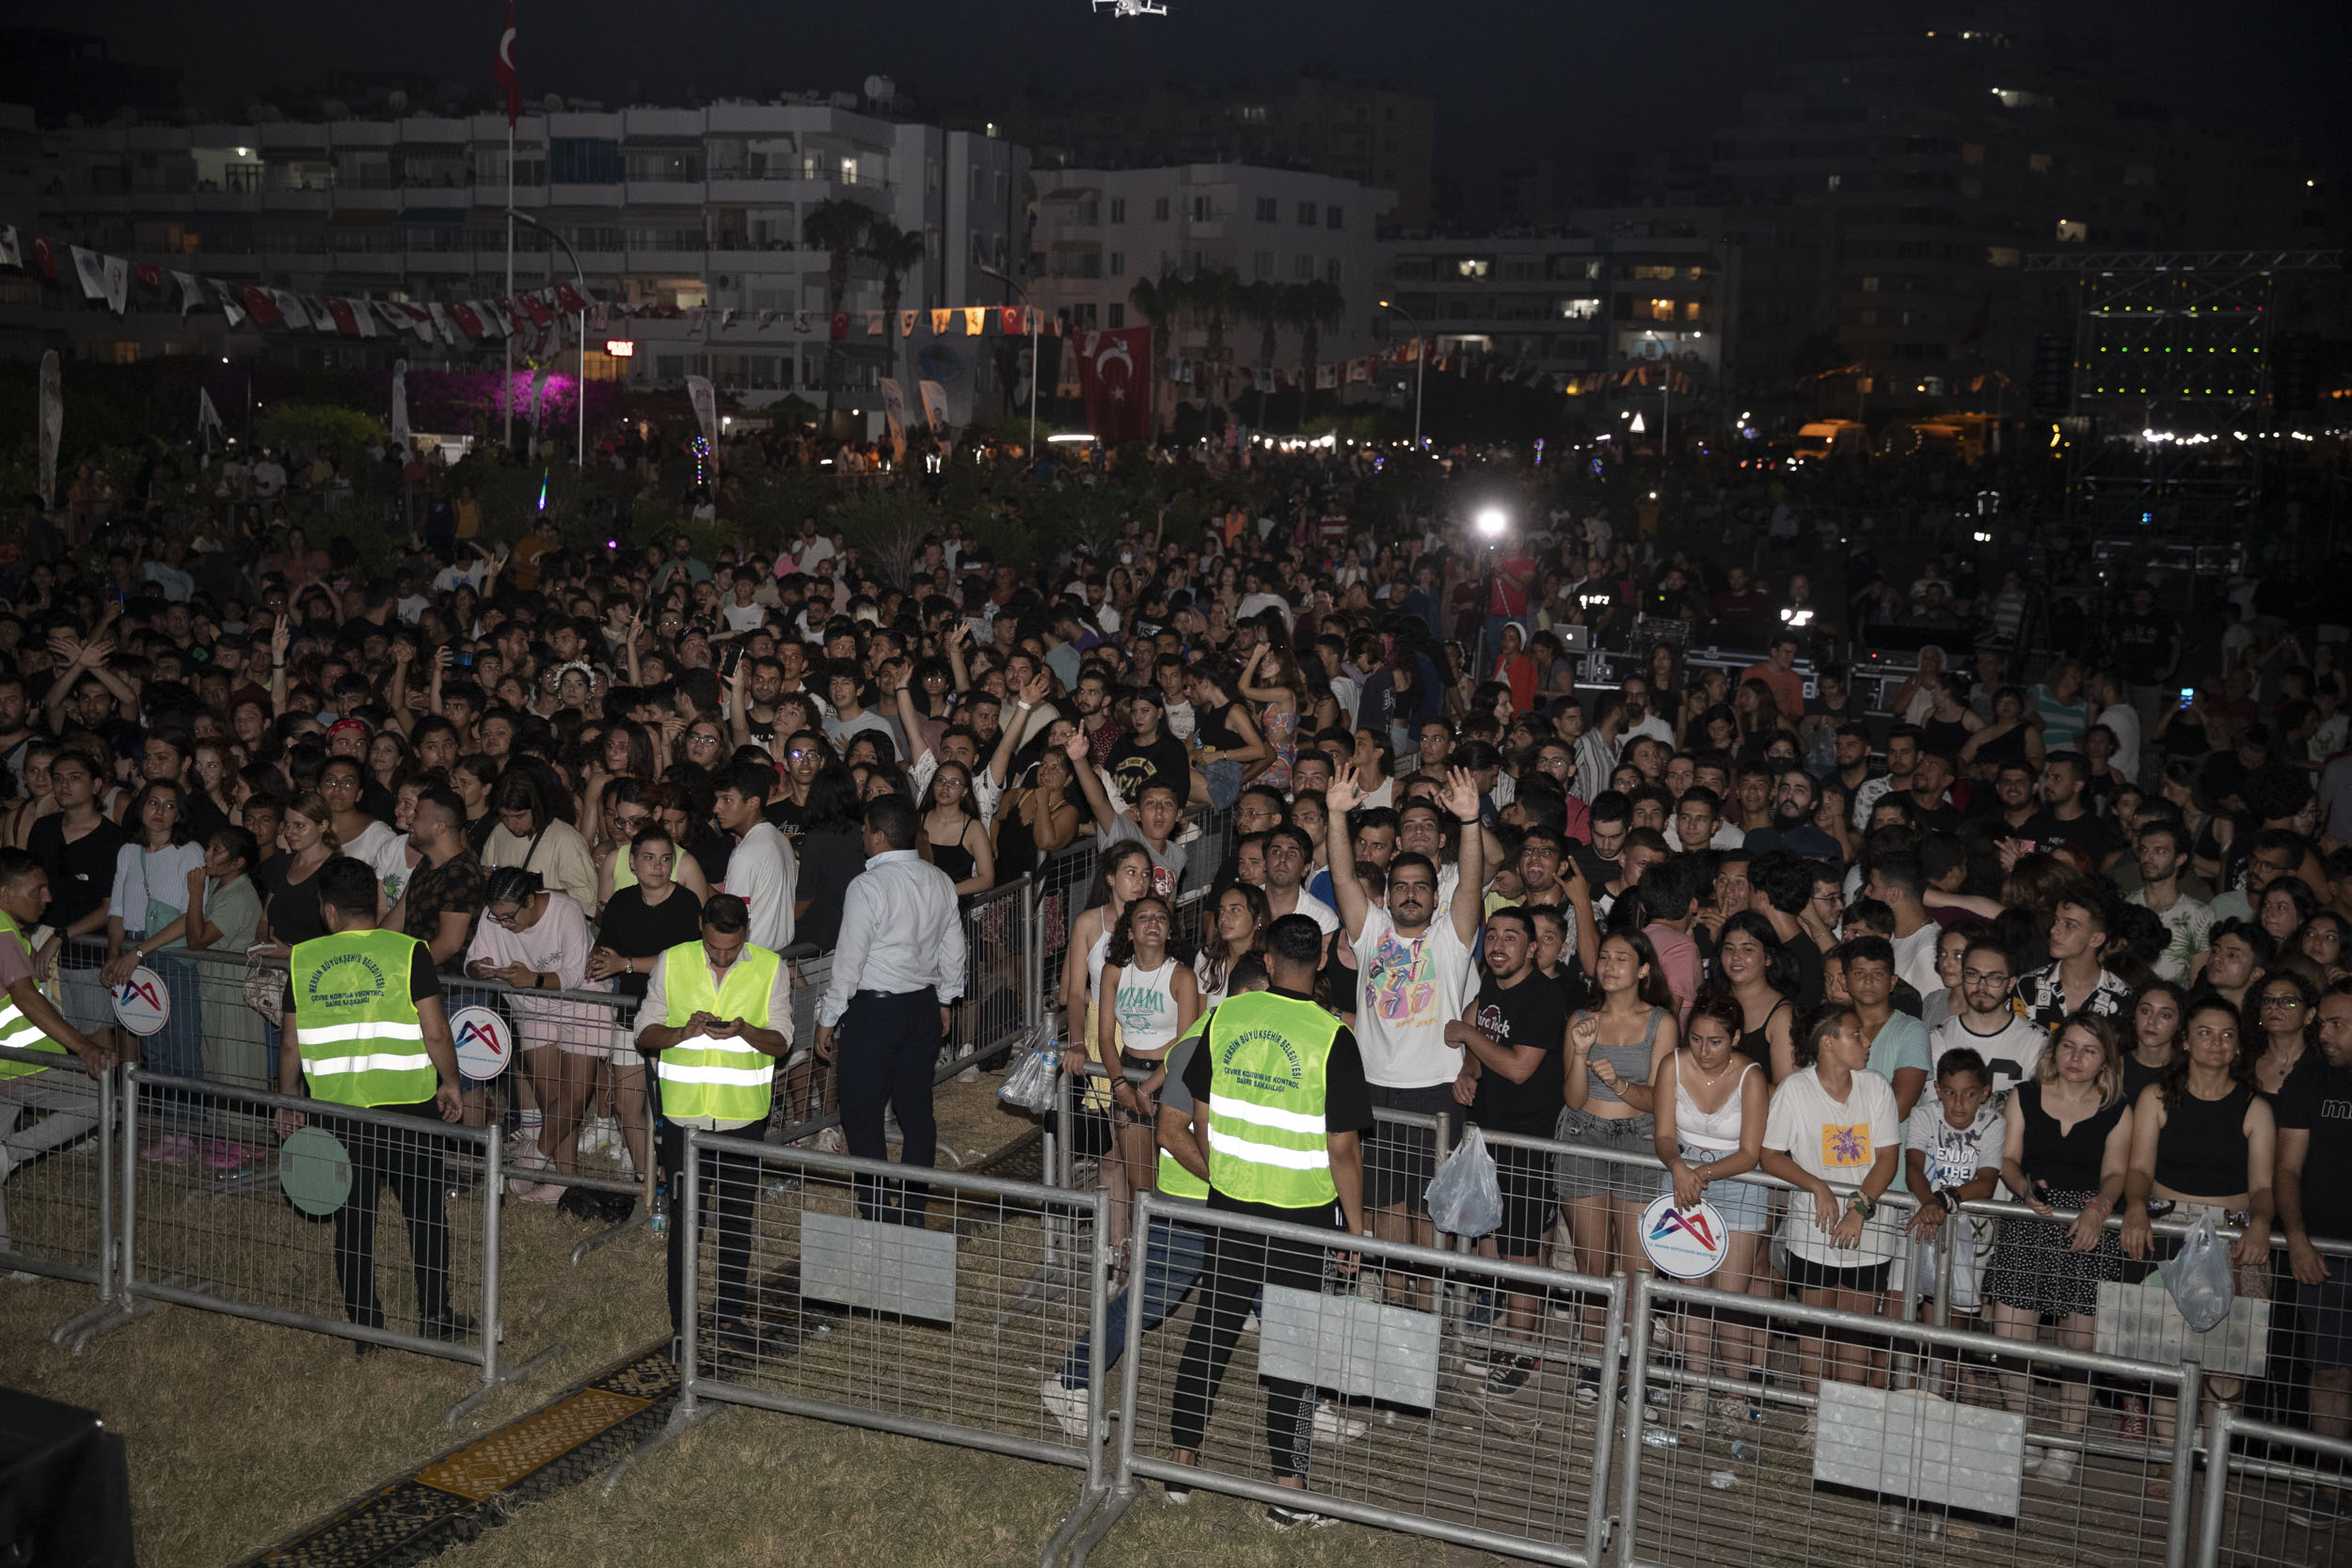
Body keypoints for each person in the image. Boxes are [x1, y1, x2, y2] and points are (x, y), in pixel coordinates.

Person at [1164, 914, 1371, 1528]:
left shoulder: (1226, 1016)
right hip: (1303, 1215)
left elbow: (1202, 1115)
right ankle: (1288, 1488)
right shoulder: (1333, 1037)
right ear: (1321, 964)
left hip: (1231, 1202)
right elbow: (1343, 1148)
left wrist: (1224, 1175)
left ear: (1270, 961)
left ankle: (1181, 1463)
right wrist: (1355, 1228)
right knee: (1294, 1347)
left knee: (1213, 1326)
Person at [274, 856, 469, 1345]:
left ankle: (365, 1328)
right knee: (425, 1215)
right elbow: (435, 1031)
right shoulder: (408, 952)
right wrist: (451, 1082)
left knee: (353, 1220)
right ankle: (435, 1316)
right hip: (409, 1106)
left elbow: (291, 1044)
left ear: (328, 910)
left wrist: (288, 1100)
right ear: (378, 902)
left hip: (339, 1111)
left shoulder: (304, 959)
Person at [1324, 765, 1486, 1302]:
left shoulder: (1450, 939)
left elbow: (1471, 882)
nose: (1410, 895)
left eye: (1421, 887)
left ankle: (1427, 1311)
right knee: (1385, 1207)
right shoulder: (1369, 932)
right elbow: (1343, 879)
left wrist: (1469, 822)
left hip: (1435, 1093)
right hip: (1373, 1089)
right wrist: (1336, 815)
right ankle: (1395, 1304)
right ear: (1387, 897)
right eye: (1400, 887)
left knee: (1427, 1211)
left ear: (1436, 897)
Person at [635, 894, 794, 1352]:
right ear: (700, 927)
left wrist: (745, 1030)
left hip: (742, 1118)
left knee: (737, 1222)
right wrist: (682, 1032)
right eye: (713, 949)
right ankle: (683, 1326)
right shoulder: (673, 961)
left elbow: (782, 1041)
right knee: (686, 1225)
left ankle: (728, 1319)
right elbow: (644, 1031)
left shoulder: (770, 967)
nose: (722, 958)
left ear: (747, 932)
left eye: (732, 949)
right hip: (684, 1118)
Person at [2122, 998, 2277, 1465]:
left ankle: (2214, 1472)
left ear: (2239, 1047)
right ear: (2186, 1041)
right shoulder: (2155, 1097)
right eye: (2205, 1032)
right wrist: (2134, 1206)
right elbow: (2139, 1168)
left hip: (2234, 1237)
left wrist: (2262, 1222)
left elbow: (2263, 1187)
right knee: (2166, 1357)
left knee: (2228, 1366)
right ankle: (2172, 1465)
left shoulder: (2255, 1107)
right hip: (2169, 1232)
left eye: (2227, 1034)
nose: (2216, 1043)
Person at [1983, 1013, 2135, 1486]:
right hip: (2030, 1219)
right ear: (2054, 1049)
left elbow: (2116, 1173)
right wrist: (2024, 1188)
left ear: (2105, 1060)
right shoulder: (2024, 1096)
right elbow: (2008, 1159)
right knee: (2011, 1336)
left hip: (2087, 1225)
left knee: (2079, 1344)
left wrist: (2098, 1210)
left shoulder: (2117, 1108)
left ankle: (2068, 1441)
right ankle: (2023, 1432)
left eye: (2090, 1050)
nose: (2076, 1058)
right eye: (2069, 1046)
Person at [815, 796, 965, 1222]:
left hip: (874, 1012)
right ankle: (912, 1209)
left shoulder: (867, 886)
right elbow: (954, 949)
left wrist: (828, 1017)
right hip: (922, 1006)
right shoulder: (939, 880)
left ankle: (877, 1211)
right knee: (916, 1111)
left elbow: (850, 959)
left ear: (879, 836)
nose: (862, 835)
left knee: (862, 1115)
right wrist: (945, 998)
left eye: (865, 829)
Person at [1447, 905, 1569, 1408]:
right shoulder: (1490, 987)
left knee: (1521, 1249)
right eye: (1493, 935)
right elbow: (1483, 1052)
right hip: (1491, 1135)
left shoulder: (1544, 997)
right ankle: (1511, 1339)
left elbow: (1520, 1068)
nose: (1498, 945)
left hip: (1529, 1140)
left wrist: (1467, 1034)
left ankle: (1524, 1351)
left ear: (1533, 948)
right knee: (1495, 1242)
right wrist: (1468, 1069)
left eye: (1511, 937)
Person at [1759, 1005, 1902, 1426]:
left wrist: (1859, 1209)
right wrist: (1817, 1185)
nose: (1867, 1042)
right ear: (1828, 1043)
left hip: (1870, 1232)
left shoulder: (1876, 1087)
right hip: (1812, 1228)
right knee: (1815, 1329)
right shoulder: (1795, 1090)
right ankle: (1816, 1417)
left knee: (1856, 1330)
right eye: (1856, 1034)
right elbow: (1771, 1155)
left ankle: (1845, 1424)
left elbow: (1887, 1158)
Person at [1557, 927, 1681, 1380]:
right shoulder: (1580, 1019)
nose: (1608, 966)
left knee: (1636, 1269)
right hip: (1583, 1135)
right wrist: (1580, 1052)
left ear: (1644, 969)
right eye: (1604, 957)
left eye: (1621, 958)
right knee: (1593, 1264)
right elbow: (1573, 1098)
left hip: (1639, 1141)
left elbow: (1661, 1099)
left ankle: (1630, 1369)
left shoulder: (1662, 1023)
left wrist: (1618, 1083)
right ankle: (1596, 1363)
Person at [1649, 991, 1769, 1428]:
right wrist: (1680, 1167)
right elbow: (1664, 1135)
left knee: (1730, 1297)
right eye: (1696, 1039)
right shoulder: (1672, 1065)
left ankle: (1735, 1392)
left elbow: (1750, 1152)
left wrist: (1699, 1173)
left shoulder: (1751, 1076)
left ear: (1735, 1038)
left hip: (1738, 1183)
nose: (1703, 1051)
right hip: (1683, 1178)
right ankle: (1696, 1389)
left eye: (1715, 1042)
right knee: (1693, 1293)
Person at [464, 867, 605, 1197]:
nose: (503, 924)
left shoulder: (565, 911)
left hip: (582, 1005)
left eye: (509, 917)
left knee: (574, 1097)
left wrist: (534, 979)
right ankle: (565, 1180)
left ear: (530, 899)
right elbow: (469, 962)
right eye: (497, 917)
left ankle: (536, 1157)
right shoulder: (494, 917)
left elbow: (573, 974)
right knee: (551, 1100)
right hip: (530, 1010)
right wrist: (479, 969)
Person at [0, 849, 115, 1256]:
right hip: (20, 1065)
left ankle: (6, 1255)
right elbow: (24, 996)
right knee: (100, 1102)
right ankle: (11, 1154)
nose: (47, 898)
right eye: (37, 890)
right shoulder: (2, 931)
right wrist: (83, 1046)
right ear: (5, 893)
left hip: (8, 1064)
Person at [2276, 981, 2352, 1525]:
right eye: (2322, 1022)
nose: (2324, 1033)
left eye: (2338, 1024)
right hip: (2325, 1251)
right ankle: (2329, 1488)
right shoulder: (2309, 1078)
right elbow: (2286, 1167)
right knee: (2328, 1373)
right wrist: (2298, 1238)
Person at [1093, 893, 1201, 1250]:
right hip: (1127, 1072)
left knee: (1170, 1178)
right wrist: (1121, 1084)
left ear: (1170, 931)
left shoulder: (1182, 976)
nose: (1153, 923)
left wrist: (1145, 1088)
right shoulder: (1114, 972)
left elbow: (1185, 1043)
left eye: (1161, 918)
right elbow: (1105, 1037)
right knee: (1140, 1183)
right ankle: (1137, 1256)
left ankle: (1167, 1252)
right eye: (1143, 917)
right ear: (1129, 931)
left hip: (1170, 1076)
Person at [1901, 1047, 2003, 1327]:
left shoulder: (1993, 1123)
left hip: (1972, 1231)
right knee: (1927, 1305)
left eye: (1969, 1094)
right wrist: (1929, 1202)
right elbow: (1913, 1167)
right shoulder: (1924, 1115)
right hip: (1929, 1220)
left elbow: (1986, 1183)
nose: (1958, 1104)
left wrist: (1940, 1202)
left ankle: (1946, 1359)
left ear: (1984, 1093)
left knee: (1957, 1316)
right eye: (1949, 1092)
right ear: (1937, 1089)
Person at [1930, 938, 2045, 1097]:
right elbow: (1934, 1105)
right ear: (1963, 977)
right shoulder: (1938, 1037)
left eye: (1994, 977)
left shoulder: (2038, 1042)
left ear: (2011, 984)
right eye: (1972, 975)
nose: (1981, 986)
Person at [712, 760, 799, 952]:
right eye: (717, 800)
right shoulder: (781, 840)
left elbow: (732, 922)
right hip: (776, 957)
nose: (716, 808)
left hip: (751, 959)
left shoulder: (746, 854)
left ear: (753, 802)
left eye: (727, 800)